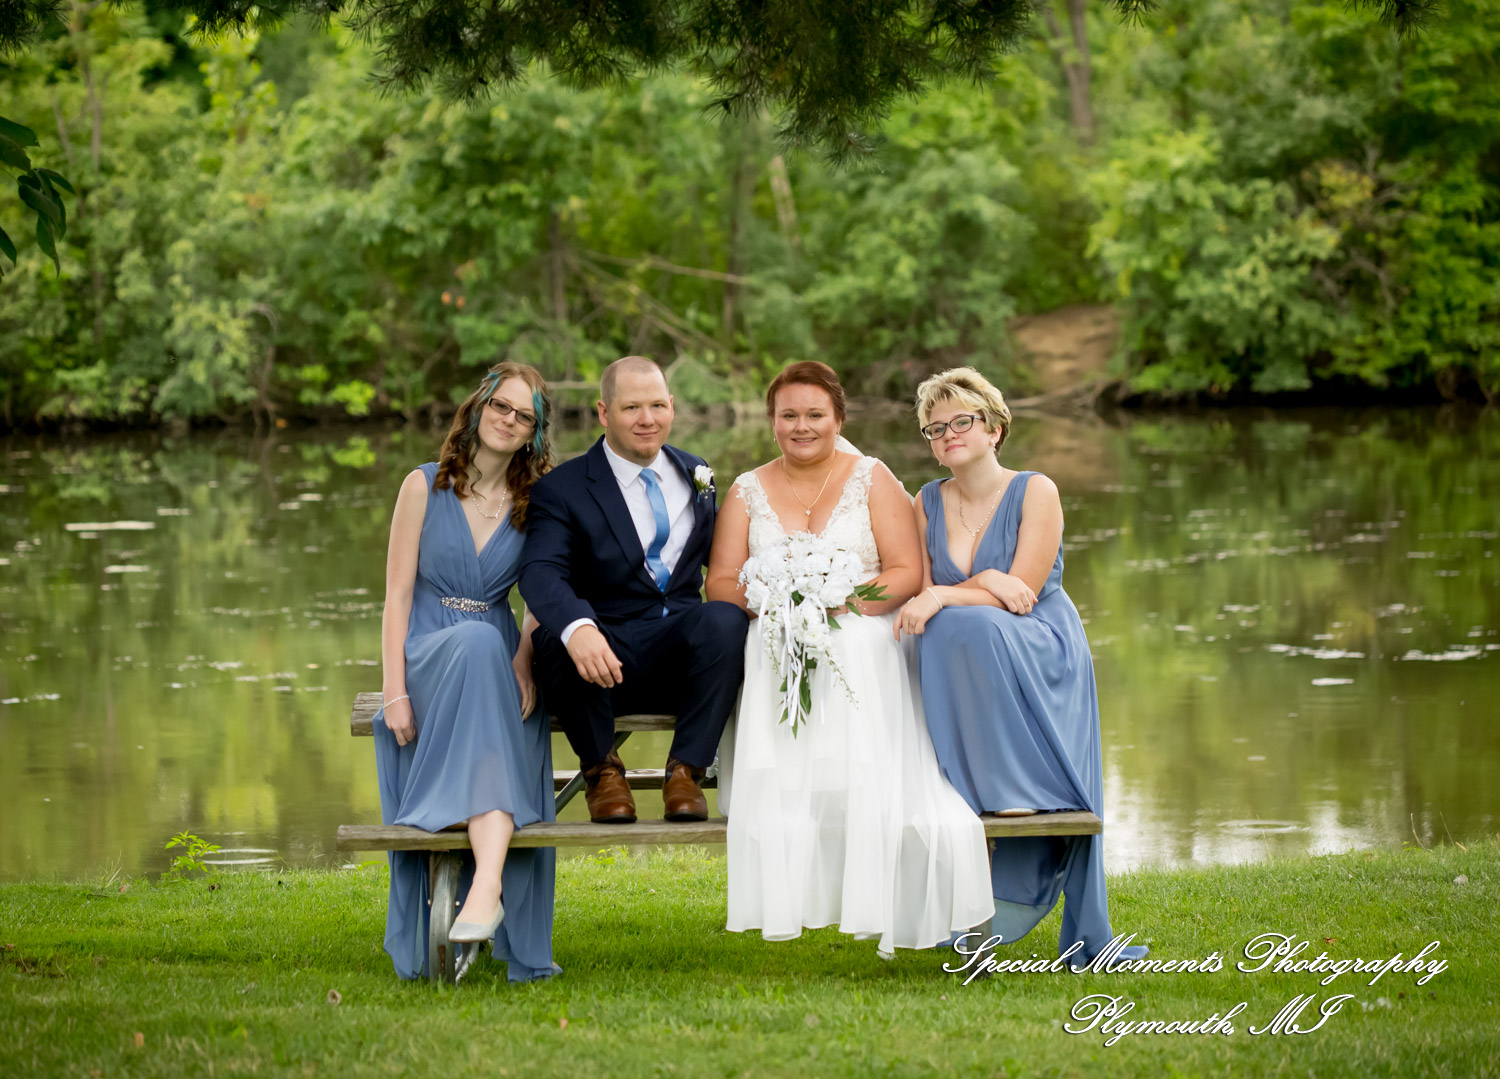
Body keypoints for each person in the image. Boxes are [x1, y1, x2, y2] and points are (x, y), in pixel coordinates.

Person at [707, 361, 993, 956]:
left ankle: (860, 790)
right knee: (772, 647)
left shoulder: (872, 477)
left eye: (815, 415)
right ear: (772, 421)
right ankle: (790, 803)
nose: (802, 426)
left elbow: (905, 572)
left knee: (855, 644)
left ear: (838, 419)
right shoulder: (746, 490)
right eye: (789, 415)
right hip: (776, 628)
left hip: (860, 621)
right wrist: (781, 602)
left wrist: (840, 600)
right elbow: (723, 581)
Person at [893, 366, 1147, 965]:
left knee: (964, 619)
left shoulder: (1036, 490)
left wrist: (964, 587)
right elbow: (929, 596)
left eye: (962, 421)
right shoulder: (925, 501)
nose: (948, 434)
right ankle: (972, 788)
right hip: (965, 651)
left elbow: (1023, 592)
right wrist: (968, 587)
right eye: (935, 428)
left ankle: (1019, 790)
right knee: (949, 626)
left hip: (1040, 642)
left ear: (995, 427)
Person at [372, 361, 559, 982]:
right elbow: (397, 596)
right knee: (477, 638)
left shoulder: (538, 501)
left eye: (524, 415)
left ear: (534, 432)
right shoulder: (422, 486)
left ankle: (485, 886)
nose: (510, 420)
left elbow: (539, 599)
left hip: (500, 660)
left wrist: (527, 663)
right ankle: (487, 889)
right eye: (502, 407)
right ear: (478, 410)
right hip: (428, 655)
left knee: (487, 641)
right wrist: (394, 691)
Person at [519, 356, 748, 824]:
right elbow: (541, 572)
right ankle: (602, 771)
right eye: (631, 408)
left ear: (671, 407)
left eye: (657, 406)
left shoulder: (697, 472)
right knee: (554, 638)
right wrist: (577, 627)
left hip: (680, 659)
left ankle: (686, 771)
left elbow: (726, 559)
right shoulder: (561, 489)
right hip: (602, 659)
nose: (648, 419)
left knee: (724, 619)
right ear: (604, 413)